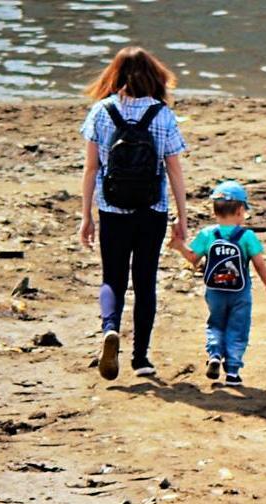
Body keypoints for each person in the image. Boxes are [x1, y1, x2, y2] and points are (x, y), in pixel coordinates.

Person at [78, 47, 189, 381]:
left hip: (112, 208)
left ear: (114, 74)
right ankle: (141, 358)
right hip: (151, 209)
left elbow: (90, 169)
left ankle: (110, 329)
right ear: (153, 74)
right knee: (145, 281)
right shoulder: (162, 114)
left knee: (113, 277)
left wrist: (86, 215)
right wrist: (182, 217)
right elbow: (174, 169)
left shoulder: (101, 111)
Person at [173, 181, 266, 386]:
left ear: (214, 210)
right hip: (240, 292)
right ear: (240, 210)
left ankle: (214, 355)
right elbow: (259, 263)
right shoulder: (246, 236)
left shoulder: (208, 234)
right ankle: (233, 372)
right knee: (238, 328)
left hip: (215, 291)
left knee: (216, 323)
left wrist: (179, 247)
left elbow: (193, 258)